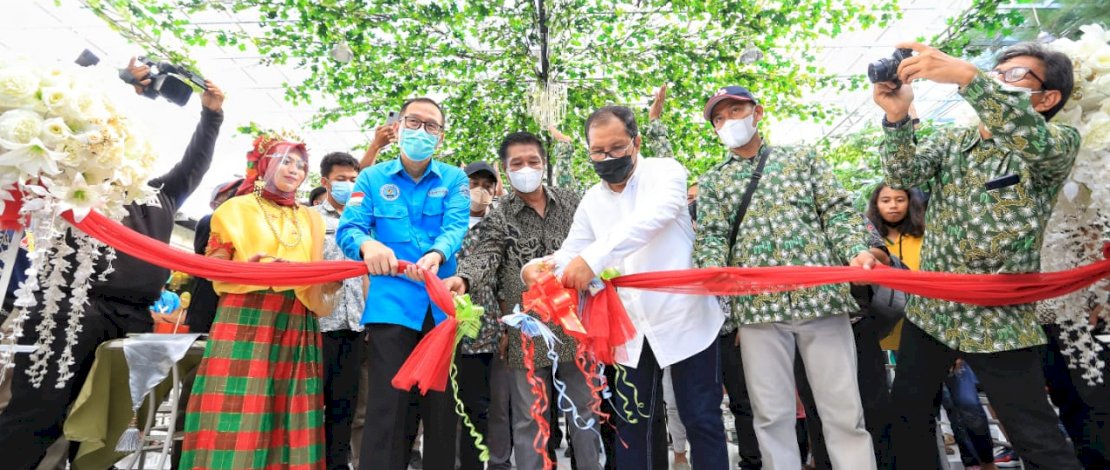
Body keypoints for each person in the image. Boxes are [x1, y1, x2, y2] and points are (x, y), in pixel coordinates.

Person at [0, 60, 224, 470]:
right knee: (40, 412)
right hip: (71, 307)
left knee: (106, 422)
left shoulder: (163, 195)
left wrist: (212, 115)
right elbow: (72, 127)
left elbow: (196, 163)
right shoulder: (83, 183)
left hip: (134, 318)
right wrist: (122, 84)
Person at [872, 40, 1082, 469]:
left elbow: (1032, 140)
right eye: (995, 71)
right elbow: (901, 175)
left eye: (1015, 75)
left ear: (1047, 98)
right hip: (932, 312)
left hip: (998, 316)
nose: (998, 79)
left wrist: (970, 77)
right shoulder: (954, 141)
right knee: (907, 419)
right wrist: (897, 116)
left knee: (1032, 432)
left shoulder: (1055, 143)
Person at [523, 106, 728, 469]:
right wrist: (540, 269)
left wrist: (593, 259)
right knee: (634, 427)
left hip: (685, 318)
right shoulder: (592, 199)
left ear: (636, 142)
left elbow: (653, 218)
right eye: (598, 152)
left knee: (701, 420)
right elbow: (575, 250)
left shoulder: (666, 172)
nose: (607, 158)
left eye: (617, 148)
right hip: (629, 327)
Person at [693, 86, 878, 470]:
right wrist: (711, 272)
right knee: (772, 416)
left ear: (757, 112)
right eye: (719, 118)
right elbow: (711, 235)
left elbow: (838, 211)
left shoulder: (803, 159)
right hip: (759, 309)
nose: (729, 122)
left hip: (822, 299)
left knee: (843, 412)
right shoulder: (713, 182)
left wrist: (856, 251)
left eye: (736, 111)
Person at [444, 132, 596, 470]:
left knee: (583, 412)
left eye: (533, 161)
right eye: (517, 163)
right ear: (505, 169)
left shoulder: (574, 202)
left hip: (575, 325)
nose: (525, 168)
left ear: (544, 164)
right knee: (529, 417)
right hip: (525, 330)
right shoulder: (499, 216)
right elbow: (485, 254)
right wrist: (463, 278)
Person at [180, 137, 335, 469]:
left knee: (288, 405)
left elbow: (315, 266)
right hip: (246, 313)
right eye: (286, 161)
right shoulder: (235, 209)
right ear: (265, 164)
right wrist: (252, 267)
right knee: (236, 407)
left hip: (296, 315)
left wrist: (327, 278)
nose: (295, 170)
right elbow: (215, 264)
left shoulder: (311, 218)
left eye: (301, 164)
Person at [337, 97, 469, 470]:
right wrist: (368, 244)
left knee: (441, 409)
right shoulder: (371, 178)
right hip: (391, 306)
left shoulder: (454, 179)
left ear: (440, 137)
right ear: (397, 128)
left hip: (440, 308)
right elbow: (350, 228)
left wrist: (437, 255)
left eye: (432, 126)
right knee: (387, 407)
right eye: (414, 122)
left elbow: (456, 225)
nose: (421, 132)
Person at [453, 159, 513, 470]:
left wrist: (505, 328)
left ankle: (480, 462)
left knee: (481, 405)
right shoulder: (446, 221)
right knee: (448, 405)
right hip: (446, 328)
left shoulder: (499, 223)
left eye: (487, 185)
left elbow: (502, 278)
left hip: (484, 331)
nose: (481, 190)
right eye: (474, 184)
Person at [312, 151, 368, 470]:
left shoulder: (364, 220)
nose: (347, 185)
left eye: (352, 180)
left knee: (345, 405)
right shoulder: (310, 219)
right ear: (325, 182)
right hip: (320, 324)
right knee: (313, 403)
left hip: (356, 325)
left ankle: (337, 464)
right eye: (340, 179)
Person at [185, 178, 243, 334]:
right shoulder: (209, 220)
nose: (237, 196)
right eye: (231, 193)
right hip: (207, 295)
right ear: (214, 203)